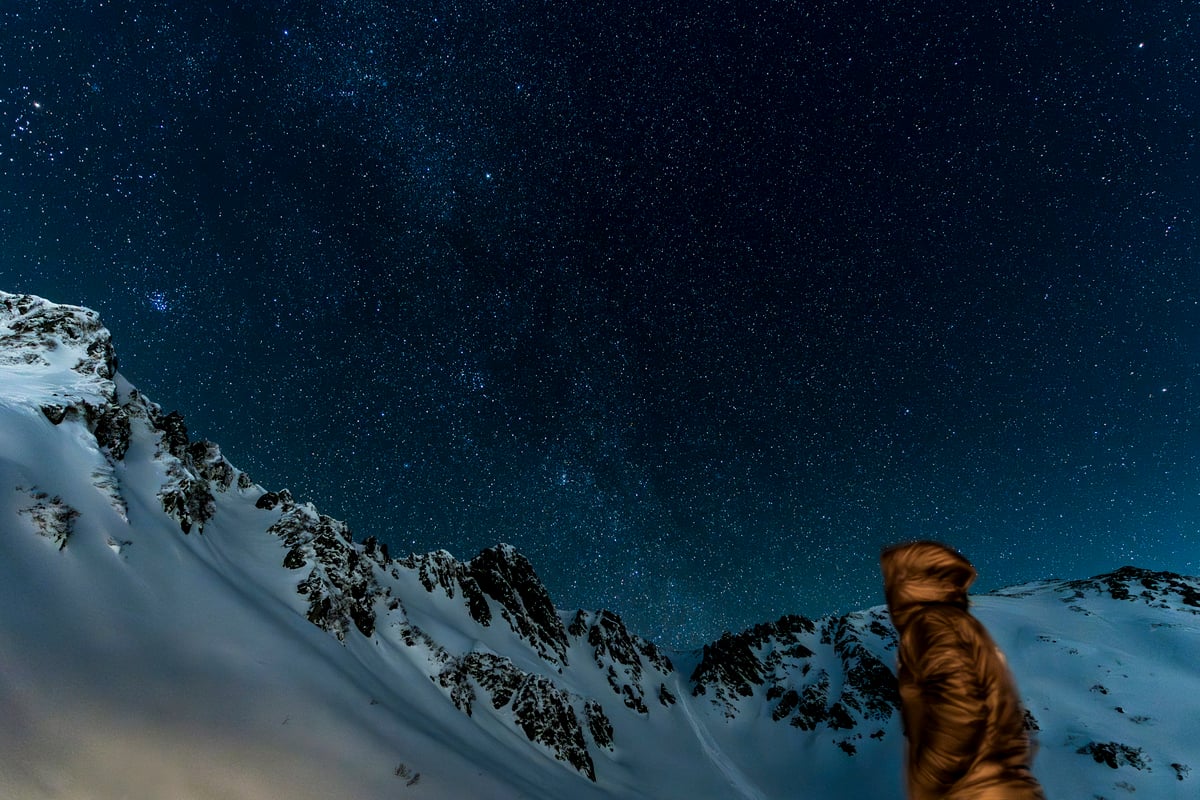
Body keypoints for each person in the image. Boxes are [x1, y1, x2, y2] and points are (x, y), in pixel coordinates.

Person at [880, 541, 1046, 800]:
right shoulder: (959, 623)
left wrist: (932, 781)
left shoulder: (930, 623)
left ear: (907, 582)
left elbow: (959, 703)